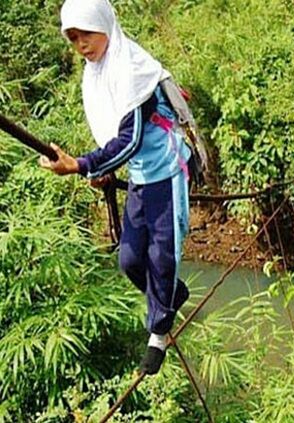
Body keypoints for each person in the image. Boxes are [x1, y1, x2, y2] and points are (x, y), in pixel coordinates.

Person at [39, 0, 192, 375]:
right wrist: (102, 170)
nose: (81, 45)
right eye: (73, 38)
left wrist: (83, 164)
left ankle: (158, 333)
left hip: (164, 170)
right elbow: (111, 128)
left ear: (105, 25)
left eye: (86, 34)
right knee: (129, 260)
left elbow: (131, 138)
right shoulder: (97, 72)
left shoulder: (130, 67)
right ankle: (171, 296)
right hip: (141, 175)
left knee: (162, 256)